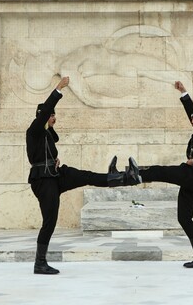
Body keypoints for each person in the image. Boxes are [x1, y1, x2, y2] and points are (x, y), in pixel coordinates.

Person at [27, 76, 140, 275]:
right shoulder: (34, 131)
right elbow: (44, 114)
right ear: (43, 117)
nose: (54, 118)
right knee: (49, 221)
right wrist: (58, 89)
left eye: (54, 115)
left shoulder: (46, 136)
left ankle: (119, 178)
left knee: (84, 175)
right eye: (52, 115)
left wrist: (54, 162)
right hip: (43, 181)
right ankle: (40, 262)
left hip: (55, 176)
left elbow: (45, 152)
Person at [123, 81, 193, 268]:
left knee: (163, 171)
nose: (192, 121)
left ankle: (139, 175)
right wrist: (183, 93)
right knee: (184, 218)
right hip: (192, 179)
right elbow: (191, 111)